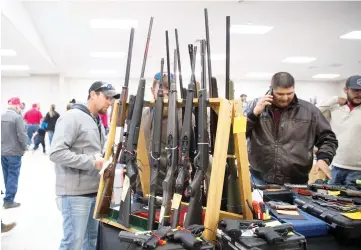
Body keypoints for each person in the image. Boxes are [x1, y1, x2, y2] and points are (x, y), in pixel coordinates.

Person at [49, 81, 120, 250]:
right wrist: (92, 163)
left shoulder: (96, 120)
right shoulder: (71, 117)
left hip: (94, 191)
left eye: (111, 98)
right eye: (106, 97)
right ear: (93, 94)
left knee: (92, 239)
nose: (109, 102)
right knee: (74, 242)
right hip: (75, 194)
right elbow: (56, 153)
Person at [245, 72, 338, 185]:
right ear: (271, 89)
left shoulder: (310, 111)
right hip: (260, 176)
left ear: (294, 88)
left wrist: (323, 159)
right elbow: (237, 135)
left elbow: (328, 138)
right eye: (280, 94)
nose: (285, 98)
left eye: (289, 93)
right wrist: (254, 114)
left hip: (296, 179)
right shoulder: (253, 106)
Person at [319, 75, 361, 185]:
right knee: (330, 199)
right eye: (355, 90)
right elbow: (316, 115)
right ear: (346, 90)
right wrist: (334, 100)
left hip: (358, 170)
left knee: (354, 202)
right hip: (335, 166)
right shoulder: (336, 108)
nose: (359, 94)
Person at [1, 97, 27, 209]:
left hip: (3, 151)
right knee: (13, 175)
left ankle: (8, 196)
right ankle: (9, 200)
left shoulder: (1, 116)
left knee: (7, 175)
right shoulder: (17, 117)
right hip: (14, 152)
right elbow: (21, 135)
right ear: (17, 106)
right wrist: (24, 147)